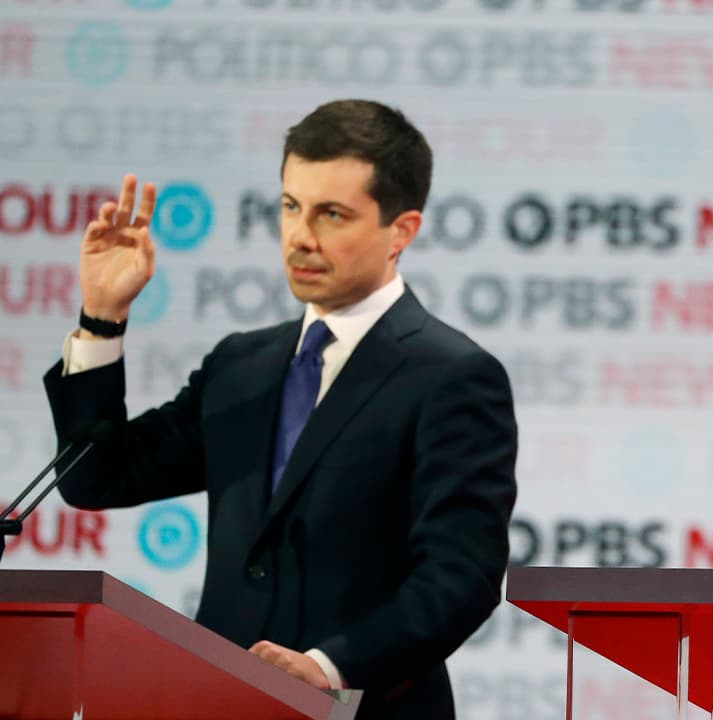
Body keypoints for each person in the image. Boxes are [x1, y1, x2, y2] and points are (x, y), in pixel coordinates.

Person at [44, 99, 517, 719]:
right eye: (291, 207)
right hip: (220, 706)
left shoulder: (452, 376)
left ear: (401, 230)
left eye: (333, 214)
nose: (301, 236)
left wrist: (327, 666)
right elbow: (94, 478)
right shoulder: (242, 366)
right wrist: (101, 319)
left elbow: (462, 576)